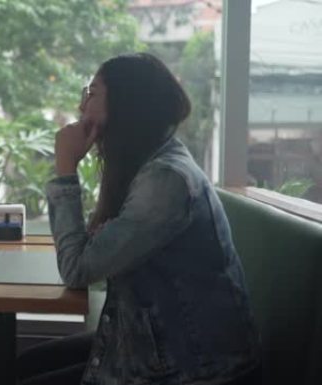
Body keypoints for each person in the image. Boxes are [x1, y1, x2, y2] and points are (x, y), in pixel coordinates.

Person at [17, 53, 261, 385]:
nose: (81, 106)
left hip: (196, 368)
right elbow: (93, 256)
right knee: (25, 365)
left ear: (126, 102)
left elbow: (77, 270)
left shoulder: (165, 181)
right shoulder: (150, 164)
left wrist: (65, 168)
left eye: (92, 92)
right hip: (158, 345)